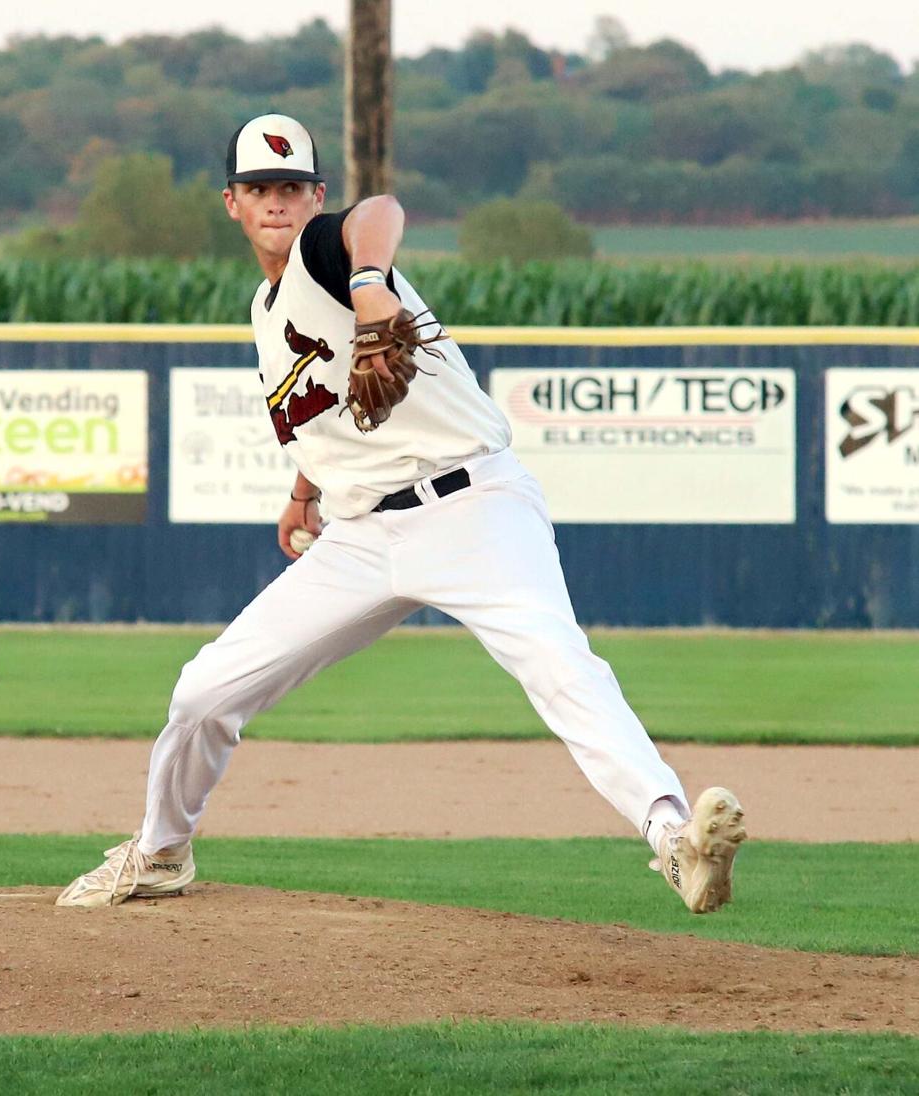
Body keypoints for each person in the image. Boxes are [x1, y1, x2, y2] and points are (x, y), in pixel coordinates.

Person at [57, 114, 746, 913]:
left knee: (558, 663)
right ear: (231, 204)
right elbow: (316, 410)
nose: (275, 201)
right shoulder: (263, 308)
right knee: (204, 691)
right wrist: (303, 493)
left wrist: (370, 282)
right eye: (258, 189)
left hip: (473, 509)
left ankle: (674, 840)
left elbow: (377, 211)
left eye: (291, 187)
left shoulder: (330, 255)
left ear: (314, 196)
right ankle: (162, 851)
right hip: (360, 535)